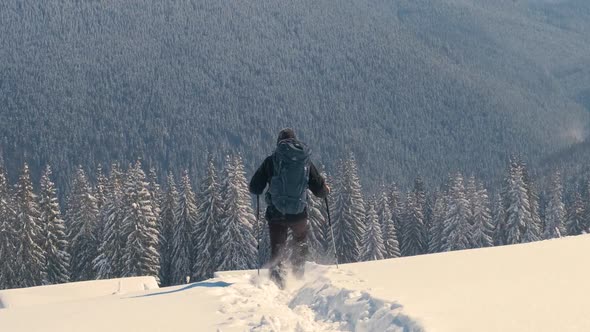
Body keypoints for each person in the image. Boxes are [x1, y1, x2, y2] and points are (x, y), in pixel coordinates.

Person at [249, 128, 329, 288]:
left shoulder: (271, 161)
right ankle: (298, 278)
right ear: (296, 142)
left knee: (278, 249)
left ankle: (277, 285)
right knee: (300, 243)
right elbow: (319, 191)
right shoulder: (305, 161)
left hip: (276, 215)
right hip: (299, 214)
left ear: (279, 143)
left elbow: (254, 187)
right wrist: (326, 190)